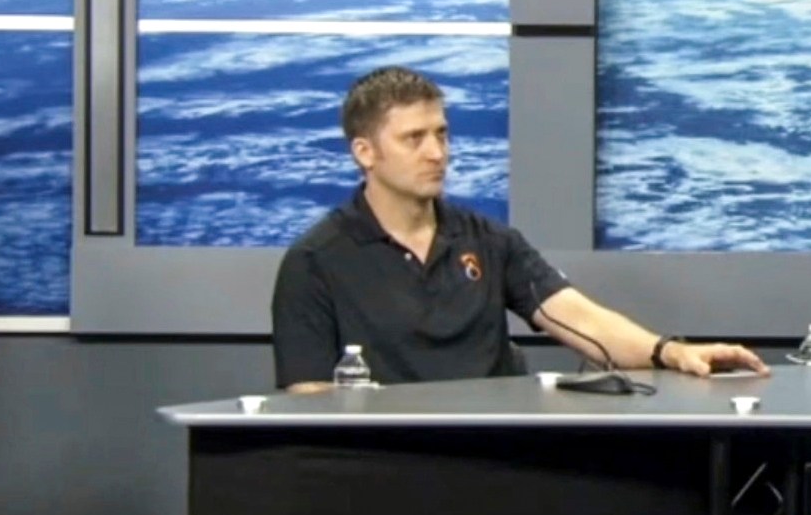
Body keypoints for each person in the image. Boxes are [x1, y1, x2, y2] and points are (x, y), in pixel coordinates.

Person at [270, 67, 767, 390]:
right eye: (414, 138)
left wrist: (672, 352)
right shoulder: (316, 262)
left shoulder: (487, 240)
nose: (437, 152)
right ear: (365, 153)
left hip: (495, 461)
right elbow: (309, 396)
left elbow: (581, 321)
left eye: (442, 133)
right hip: (379, 473)